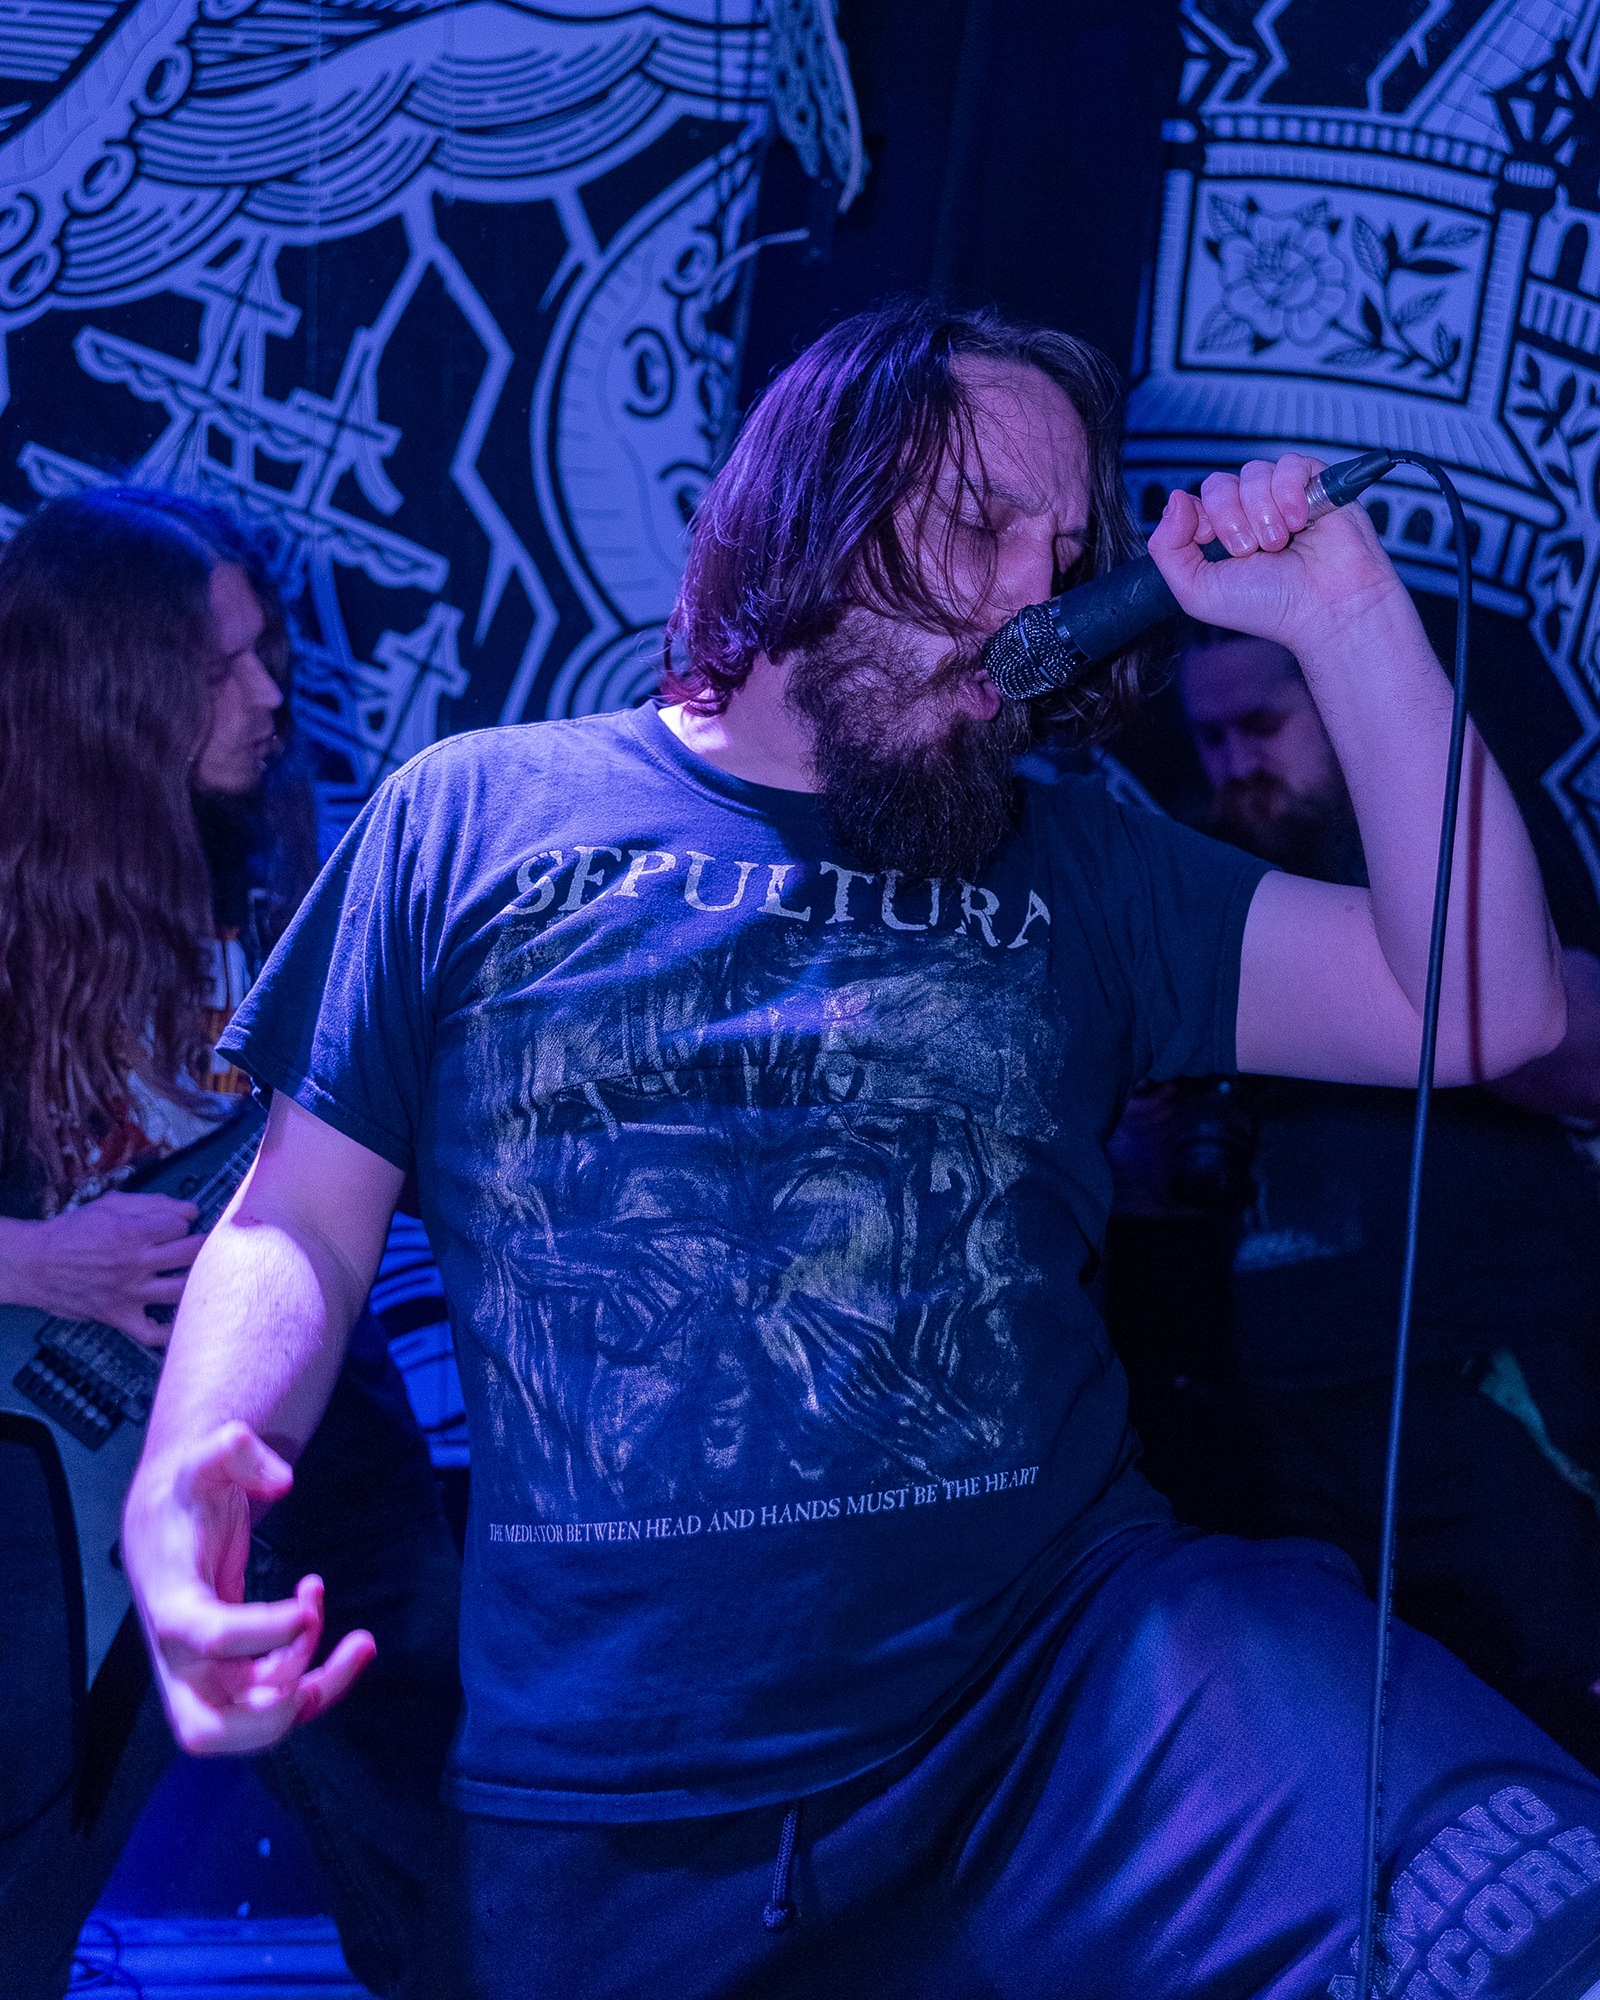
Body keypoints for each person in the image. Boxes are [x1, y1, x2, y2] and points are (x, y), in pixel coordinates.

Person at [122, 302, 1600, 2000]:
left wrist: (1345, 617)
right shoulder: (473, 818)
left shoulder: (1083, 864)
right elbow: (296, 1224)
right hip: (621, 1815)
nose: (1028, 594)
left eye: (1062, 555)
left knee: (1530, 1916)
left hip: (1082, 1698)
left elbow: (1484, 1005)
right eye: (980, 523)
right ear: (806, 505)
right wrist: (193, 1463)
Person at [0, 489, 462, 2000]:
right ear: (104, 695)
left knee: (448, 1857)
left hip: (303, 1432)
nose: (267, 695)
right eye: (218, 670)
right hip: (49, 1447)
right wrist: (31, 1260)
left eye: (269, 653)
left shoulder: (285, 850)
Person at [1155, 621, 1600, 1762]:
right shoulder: (1197, 881)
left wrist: (1404, 997)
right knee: (1342, 1762)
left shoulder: (1458, 848)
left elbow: (1582, 1049)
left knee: (1547, 1733)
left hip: (1476, 1380)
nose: (1237, 763)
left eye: (1263, 725)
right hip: (1276, 1415)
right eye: (1211, 738)